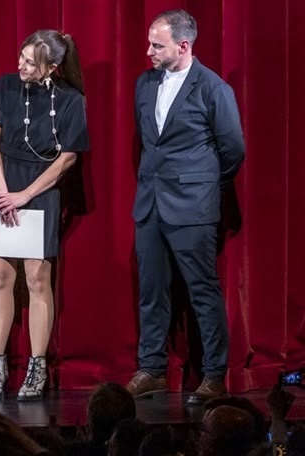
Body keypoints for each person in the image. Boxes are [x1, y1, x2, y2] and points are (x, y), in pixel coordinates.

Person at [127, 9, 245, 405]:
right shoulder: (145, 84)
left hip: (193, 206)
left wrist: (202, 184)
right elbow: (148, 142)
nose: (148, 51)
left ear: (184, 45)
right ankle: (152, 369)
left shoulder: (212, 88)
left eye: (156, 45)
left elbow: (233, 149)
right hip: (150, 204)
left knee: (202, 292)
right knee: (152, 291)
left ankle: (213, 375)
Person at [0, 30, 89, 401]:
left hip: (39, 190)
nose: (21, 66)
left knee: (37, 280)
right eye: (21, 57)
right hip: (2, 186)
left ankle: (37, 364)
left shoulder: (72, 100)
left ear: (52, 68)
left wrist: (24, 195)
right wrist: (1, 191)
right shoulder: (6, 86)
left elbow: (68, 158)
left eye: (30, 62)